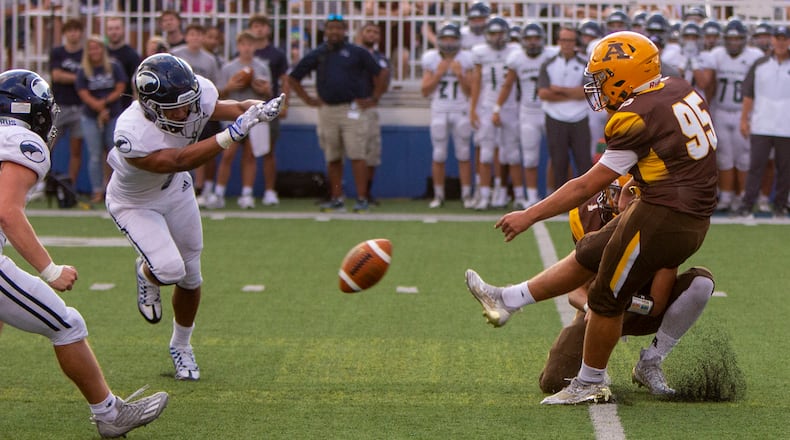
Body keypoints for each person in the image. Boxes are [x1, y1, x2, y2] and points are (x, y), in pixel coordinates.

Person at [465, 31, 718, 405]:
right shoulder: (678, 88)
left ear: (624, 74)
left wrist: (529, 215)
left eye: (601, 78)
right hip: (686, 214)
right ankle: (507, 299)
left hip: (664, 215)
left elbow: (586, 186)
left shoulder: (635, 116)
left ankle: (590, 382)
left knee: (604, 300)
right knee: (591, 251)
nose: (597, 87)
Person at [0, 69, 168, 438]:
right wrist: (49, 269)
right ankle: (109, 413)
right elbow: (7, 212)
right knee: (66, 324)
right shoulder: (20, 142)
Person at [106, 53, 283, 380]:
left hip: (175, 190)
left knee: (191, 275)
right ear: (152, 107)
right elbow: (177, 159)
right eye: (178, 106)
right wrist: (231, 135)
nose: (187, 111)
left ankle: (181, 345)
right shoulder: (131, 133)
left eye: (190, 102)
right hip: (135, 202)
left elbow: (220, 108)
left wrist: (254, 109)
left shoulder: (193, 94)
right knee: (169, 269)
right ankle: (148, 274)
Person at [539, 179, 715, 395]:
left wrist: (619, 302)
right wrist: (592, 307)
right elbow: (576, 289)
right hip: (597, 308)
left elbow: (657, 304)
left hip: (639, 306)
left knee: (701, 284)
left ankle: (650, 362)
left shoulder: (664, 222)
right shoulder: (588, 215)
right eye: (615, 193)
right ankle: (594, 367)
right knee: (555, 380)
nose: (620, 201)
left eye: (631, 194)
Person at [288, 13, 387, 213]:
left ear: (345, 30)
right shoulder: (319, 53)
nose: (334, 31)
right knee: (332, 156)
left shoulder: (356, 52)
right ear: (325, 31)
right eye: (330, 28)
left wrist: (374, 98)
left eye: (338, 28)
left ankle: (362, 198)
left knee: (357, 155)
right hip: (327, 110)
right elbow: (293, 77)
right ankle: (337, 197)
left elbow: (381, 72)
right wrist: (308, 100)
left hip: (351, 109)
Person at [704, 19, 763, 213]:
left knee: (744, 157)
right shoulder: (717, 55)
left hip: (742, 112)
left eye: (738, 39)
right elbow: (709, 84)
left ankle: (742, 196)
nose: (734, 43)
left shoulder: (755, 56)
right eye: (731, 39)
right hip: (721, 110)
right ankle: (727, 196)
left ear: (744, 40)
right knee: (724, 157)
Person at [210, 30, 273, 209]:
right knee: (227, 153)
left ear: (255, 47)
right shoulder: (229, 67)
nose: (247, 48)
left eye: (250, 44)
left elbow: (268, 93)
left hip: (254, 115)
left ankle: (247, 194)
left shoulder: (261, 67)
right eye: (244, 44)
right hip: (233, 115)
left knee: (250, 155)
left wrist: (261, 89)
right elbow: (218, 93)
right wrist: (230, 86)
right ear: (238, 46)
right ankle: (219, 192)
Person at [496, 22, 551, 209]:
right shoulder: (517, 59)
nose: (533, 42)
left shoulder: (551, 55)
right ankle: (532, 196)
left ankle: (553, 193)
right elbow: (507, 84)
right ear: (522, 40)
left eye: (536, 38)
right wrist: (497, 108)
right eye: (529, 38)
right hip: (527, 112)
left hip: (550, 110)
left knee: (558, 156)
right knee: (529, 157)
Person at [737, 25, 790, 218]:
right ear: (773, 41)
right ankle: (747, 204)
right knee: (756, 167)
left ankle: (781, 206)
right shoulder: (759, 64)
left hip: (787, 125)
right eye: (778, 38)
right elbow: (748, 94)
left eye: (785, 39)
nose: (781, 42)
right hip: (762, 123)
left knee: (785, 169)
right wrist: (744, 119)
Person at [469, 16, 520, 211]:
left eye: (500, 32)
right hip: (487, 104)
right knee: (486, 153)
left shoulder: (515, 51)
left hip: (510, 106)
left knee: (510, 153)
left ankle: (507, 192)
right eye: (492, 33)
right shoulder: (480, 52)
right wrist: (473, 108)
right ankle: (483, 194)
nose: (497, 37)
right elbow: (476, 81)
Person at [420, 22, 474, 208]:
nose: (449, 42)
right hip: (439, 109)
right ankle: (438, 195)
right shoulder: (431, 58)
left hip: (461, 109)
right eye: (445, 38)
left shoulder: (467, 58)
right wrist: (439, 74)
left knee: (464, 153)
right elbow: (425, 90)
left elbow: (472, 91)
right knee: (439, 153)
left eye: (453, 38)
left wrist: (460, 75)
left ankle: (466, 195)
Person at [537, 24, 592, 191]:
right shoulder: (548, 63)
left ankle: (588, 202)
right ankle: (560, 202)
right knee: (558, 161)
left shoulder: (585, 63)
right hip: (555, 117)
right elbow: (544, 94)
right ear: (558, 41)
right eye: (563, 40)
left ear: (575, 42)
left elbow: (586, 92)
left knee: (584, 161)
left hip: (579, 116)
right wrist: (572, 93)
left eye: (570, 40)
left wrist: (559, 90)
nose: (567, 44)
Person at [75, 35, 128, 204]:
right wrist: (98, 107)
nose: (94, 51)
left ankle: (116, 190)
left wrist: (104, 104)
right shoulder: (83, 70)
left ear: (102, 49)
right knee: (95, 155)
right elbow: (82, 92)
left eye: (97, 47)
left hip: (112, 114)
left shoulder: (114, 66)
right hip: (91, 116)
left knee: (114, 153)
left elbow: (121, 87)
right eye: (91, 48)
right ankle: (97, 190)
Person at [250, 15, 291, 206]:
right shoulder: (245, 52)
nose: (258, 29)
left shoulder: (276, 54)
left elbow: (285, 80)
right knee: (246, 152)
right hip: (247, 107)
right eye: (255, 26)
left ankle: (269, 190)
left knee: (269, 150)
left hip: (270, 106)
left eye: (262, 26)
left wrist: (284, 104)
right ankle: (246, 191)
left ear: (269, 29)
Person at [49, 18, 84, 191]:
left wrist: (68, 77)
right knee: (47, 146)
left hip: (79, 107)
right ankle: (41, 184)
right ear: (65, 33)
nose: (73, 33)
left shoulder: (85, 54)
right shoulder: (57, 52)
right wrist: (79, 79)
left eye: (76, 30)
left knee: (76, 150)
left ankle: (70, 187)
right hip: (59, 107)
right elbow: (56, 76)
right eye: (70, 30)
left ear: (80, 32)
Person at [358, 21, 391, 206]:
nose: (371, 35)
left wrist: (373, 97)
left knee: (371, 152)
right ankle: (335, 193)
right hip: (350, 107)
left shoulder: (381, 59)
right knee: (342, 152)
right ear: (361, 34)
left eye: (375, 32)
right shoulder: (352, 54)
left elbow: (384, 82)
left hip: (369, 108)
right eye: (368, 31)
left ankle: (366, 193)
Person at [105, 16, 142, 110]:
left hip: (124, 106)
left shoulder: (132, 55)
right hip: (102, 105)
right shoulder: (101, 53)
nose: (114, 32)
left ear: (123, 30)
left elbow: (136, 82)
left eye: (117, 28)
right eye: (110, 29)